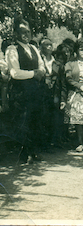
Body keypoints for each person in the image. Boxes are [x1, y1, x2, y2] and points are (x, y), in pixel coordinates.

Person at [5, 17, 46, 164]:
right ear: (16, 33)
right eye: (22, 32)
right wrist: (34, 74)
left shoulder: (34, 48)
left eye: (28, 31)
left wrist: (40, 71)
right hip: (20, 93)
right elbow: (15, 73)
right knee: (23, 121)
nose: (26, 35)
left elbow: (41, 65)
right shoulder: (12, 49)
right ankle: (24, 153)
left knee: (35, 120)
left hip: (35, 91)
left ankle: (34, 151)